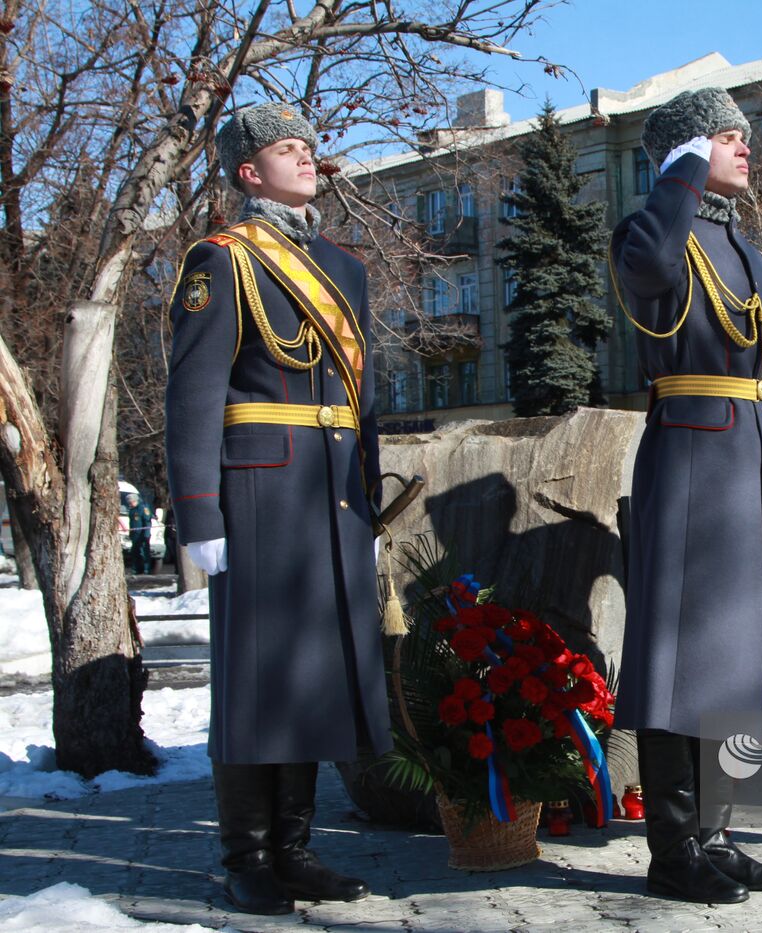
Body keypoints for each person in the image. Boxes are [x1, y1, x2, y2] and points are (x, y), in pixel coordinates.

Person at [165, 103, 391, 915]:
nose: (304, 159)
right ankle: (247, 854)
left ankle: (294, 848)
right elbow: (193, 395)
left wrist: (367, 497)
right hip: (259, 487)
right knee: (257, 681)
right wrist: (200, 515)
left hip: (331, 494)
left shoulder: (343, 265)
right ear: (248, 171)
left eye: (307, 148)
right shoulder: (220, 259)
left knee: (313, 677)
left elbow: (362, 399)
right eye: (285, 150)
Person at [610, 87, 762, 904]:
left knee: (730, 660)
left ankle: (716, 832)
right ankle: (672, 846)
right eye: (725, 137)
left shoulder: (737, 246)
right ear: (685, 153)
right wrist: (676, 176)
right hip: (692, 454)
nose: (745, 147)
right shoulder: (655, 228)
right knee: (677, 659)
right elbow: (647, 267)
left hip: (744, 459)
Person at [125, 490, 154, 576]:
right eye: (129, 503)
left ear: (136, 501)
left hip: (142, 534)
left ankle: (146, 569)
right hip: (135, 535)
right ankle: (137, 569)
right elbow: (132, 523)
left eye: (131, 502)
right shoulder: (132, 510)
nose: (130, 504)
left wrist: (146, 534)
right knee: (135, 552)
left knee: (144, 552)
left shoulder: (143, 508)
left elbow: (147, 522)